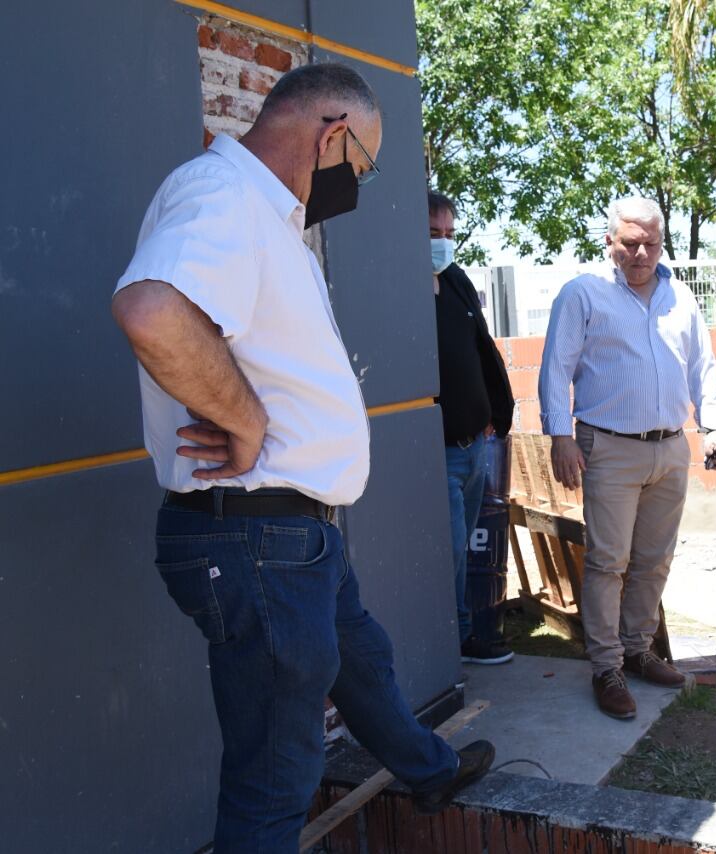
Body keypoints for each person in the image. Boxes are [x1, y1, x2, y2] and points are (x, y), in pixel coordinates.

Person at [111, 63, 492, 852]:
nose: (356, 182)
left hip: (292, 534)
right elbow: (152, 311)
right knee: (276, 778)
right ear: (332, 134)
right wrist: (244, 421)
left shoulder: (265, 216)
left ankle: (428, 770)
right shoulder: (222, 194)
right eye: (360, 163)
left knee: (363, 662)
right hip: (258, 538)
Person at [538, 197, 716, 720]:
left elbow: (703, 367)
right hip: (609, 447)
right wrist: (560, 434)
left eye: (651, 242)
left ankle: (639, 649)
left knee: (654, 559)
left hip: (670, 447)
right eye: (630, 242)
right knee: (608, 561)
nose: (642, 252)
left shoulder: (680, 296)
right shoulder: (584, 294)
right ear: (610, 241)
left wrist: (713, 426)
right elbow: (556, 368)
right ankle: (606, 666)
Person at [429, 191, 517, 665]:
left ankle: (461, 636)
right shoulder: (403, 289)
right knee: (448, 552)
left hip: (473, 448)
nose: (442, 244)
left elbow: (482, 350)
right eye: (431, 234)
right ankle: (453, 641)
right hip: (435, 451)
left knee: (460, 547)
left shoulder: (457, 281)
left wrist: (492, 417)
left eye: (449, 234)